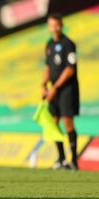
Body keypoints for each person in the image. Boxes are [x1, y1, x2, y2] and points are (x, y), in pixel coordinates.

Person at [42, 13, 79, 170]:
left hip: (66, 90)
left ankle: (74, 160)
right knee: (54, 122)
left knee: (67, 122)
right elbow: (48, 67)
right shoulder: (49, 44)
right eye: (51, 25)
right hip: (53, 91)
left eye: (57, 25)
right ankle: (61, 159)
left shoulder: (68, 44)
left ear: (61, 25)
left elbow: (70, 70)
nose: (54, 28)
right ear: (48, 26)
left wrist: (55, 87)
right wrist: (43, 84)